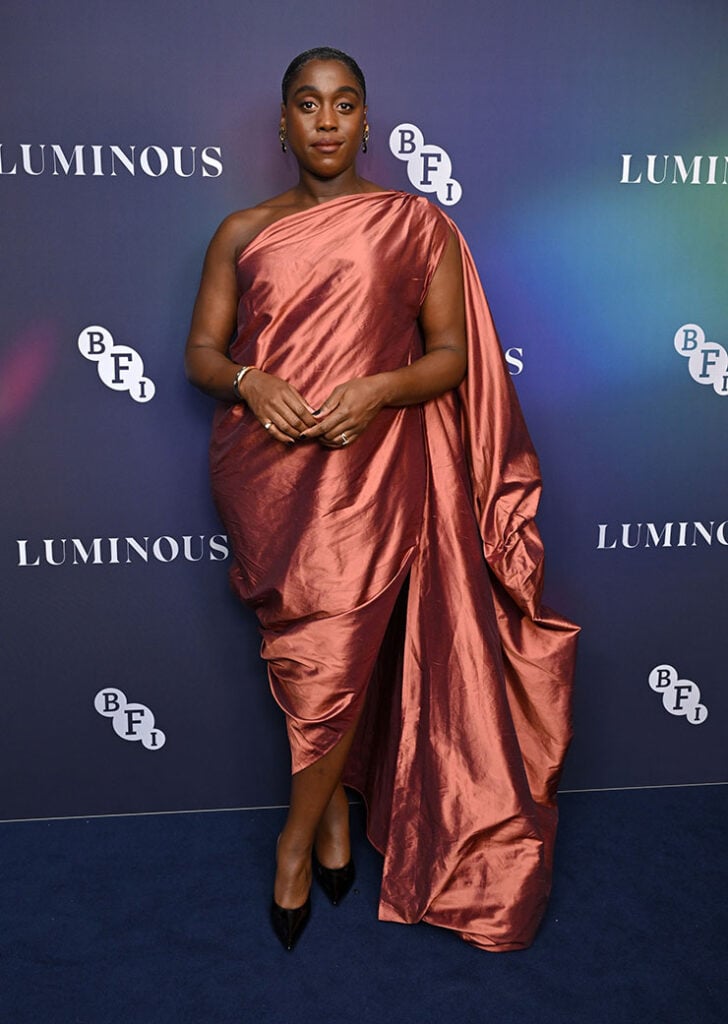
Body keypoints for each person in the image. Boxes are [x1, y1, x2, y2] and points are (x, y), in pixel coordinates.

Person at [185, 46, 579, 953]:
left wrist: (377, 391)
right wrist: (248, 381)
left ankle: (294, 843)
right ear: (282, 124)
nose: (326, 121)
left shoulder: (417, 224)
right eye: (308, 106)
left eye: (344, 104)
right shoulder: (242, 231)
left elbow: (451, 355)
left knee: (345, 648)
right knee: (303, 654)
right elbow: (200, 354)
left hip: (373, 470)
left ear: (368, 120)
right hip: (266, 474)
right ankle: (329, 822)